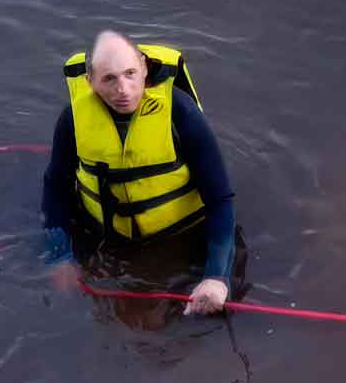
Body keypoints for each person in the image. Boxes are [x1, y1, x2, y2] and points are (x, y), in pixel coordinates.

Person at [41, 30, 243, 315]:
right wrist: (59, 257)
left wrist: (216, 277)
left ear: (144, 70)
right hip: (107, 239)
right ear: (90, 81)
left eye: (130, 74)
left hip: (183, 236)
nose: (123, 89)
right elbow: (56, 187)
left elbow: (220, 199)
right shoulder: (72, 119)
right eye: (109, 79)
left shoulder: (180, 113)